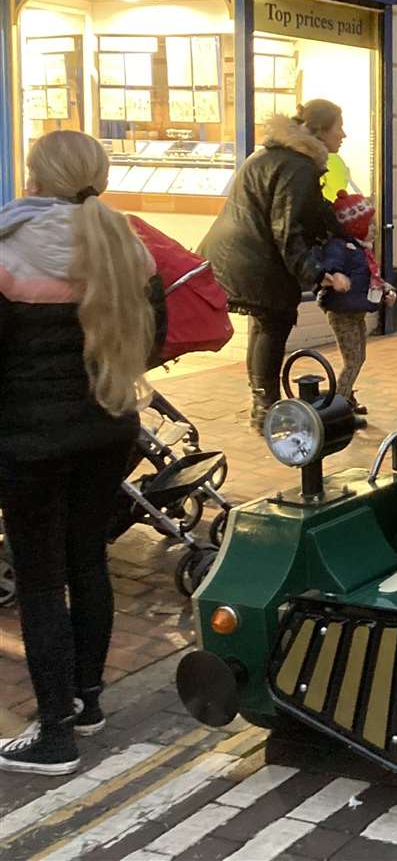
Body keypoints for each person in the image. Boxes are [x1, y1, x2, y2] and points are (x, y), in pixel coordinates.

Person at [0, 131, 166, 775]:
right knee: (88, 561)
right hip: (109, 429)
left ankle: (53, 733)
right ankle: (88, 701)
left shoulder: (10, 250)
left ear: (36, 178)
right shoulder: (126, 245)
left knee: (40, 581)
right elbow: (153, 339)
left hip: (29, 442)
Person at [201, 102, 351, 431]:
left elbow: (308, 209)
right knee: (274, 321)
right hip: (255, 258)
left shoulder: (277, 155)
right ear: (319, 130)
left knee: (265, 323)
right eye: (338, 126)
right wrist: (314, 272)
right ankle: (264, 409)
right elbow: (289, 227)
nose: (343, 133)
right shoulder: (298, 165)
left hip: (241, 253)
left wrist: (345, 226)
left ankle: (262, 403)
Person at [318, 191, 395, 415]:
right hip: (342, 314)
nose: (373, 229)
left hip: (356, 313)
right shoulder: (341, 247)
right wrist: (334, 276)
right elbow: (328, 267)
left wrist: (387, 291)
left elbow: (370, 280)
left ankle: (347, 396)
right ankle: (338, 407)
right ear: (354, 226)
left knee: (358, 357)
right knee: (353, 361)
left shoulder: (362, 250)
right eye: (368, 224)